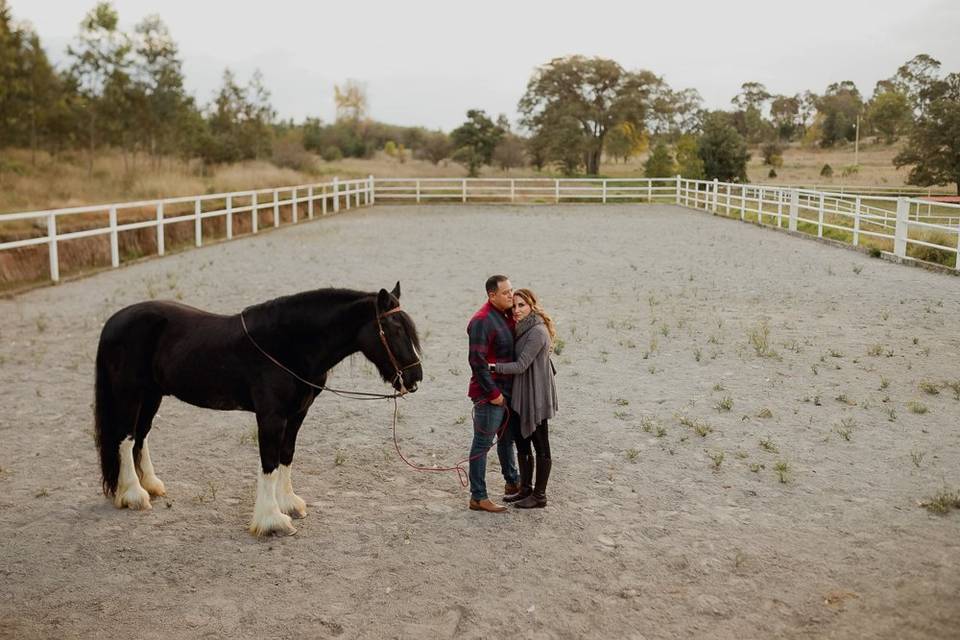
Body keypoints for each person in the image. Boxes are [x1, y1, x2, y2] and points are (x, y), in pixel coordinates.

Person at [491, 288, 557, 508]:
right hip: (522, 392)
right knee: (522, 441)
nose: (517, 310)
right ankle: (525, 489)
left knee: (540, 444)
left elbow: (520, 366)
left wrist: (492, 367)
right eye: (515, 305)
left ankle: (539, 496)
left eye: (522, 305)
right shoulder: (519, 328)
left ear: (532, 306)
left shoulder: (537, 331)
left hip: (536, 394)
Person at [466, 275, 521, 513]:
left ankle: (512, 482)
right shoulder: (482, 320)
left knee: (506, 440)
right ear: (492, 295)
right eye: (506, 293)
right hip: (490, 395)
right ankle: (478, 497)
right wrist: (494, 394)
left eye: (511, 290)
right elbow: (477, 362)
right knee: (482, 444)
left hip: (507, 391)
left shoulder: (506, 315)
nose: (511, 295)